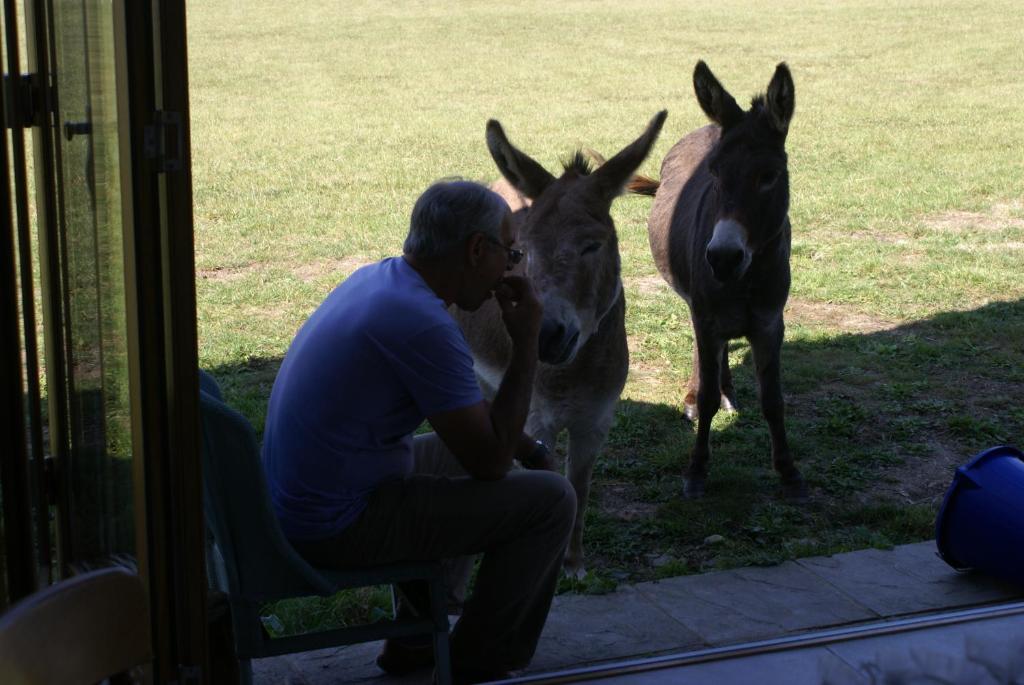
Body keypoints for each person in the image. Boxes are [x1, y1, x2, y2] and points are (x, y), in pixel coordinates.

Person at [262, 179, 576, 683]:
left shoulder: (383, 282)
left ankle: (413, 642)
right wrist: (526, 345)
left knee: (454, 460)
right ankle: (478, 663)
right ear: (477, 250)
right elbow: (490, 462)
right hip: (334, 525)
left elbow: (465, 415)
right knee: (550, 503)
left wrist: (531, 448)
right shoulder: (423, 325)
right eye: (510, 253)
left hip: (302, 499)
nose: (511, 268)